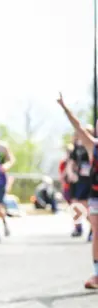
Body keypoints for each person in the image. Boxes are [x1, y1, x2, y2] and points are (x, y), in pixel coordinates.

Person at [56, 92, 98, 289]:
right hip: (94, 193)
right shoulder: (92, 146)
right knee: (97, 230)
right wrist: (65, 108)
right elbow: (78, 126)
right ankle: (97, 274)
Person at [68, 130, 93, 239]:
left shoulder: (93, 145)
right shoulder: (77, 148)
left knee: (86, 205)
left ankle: (93, 228)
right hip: (79, 180)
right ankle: (79, 227)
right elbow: (71, 162)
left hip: (91, 180)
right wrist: (70, 173)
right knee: (76, 204)